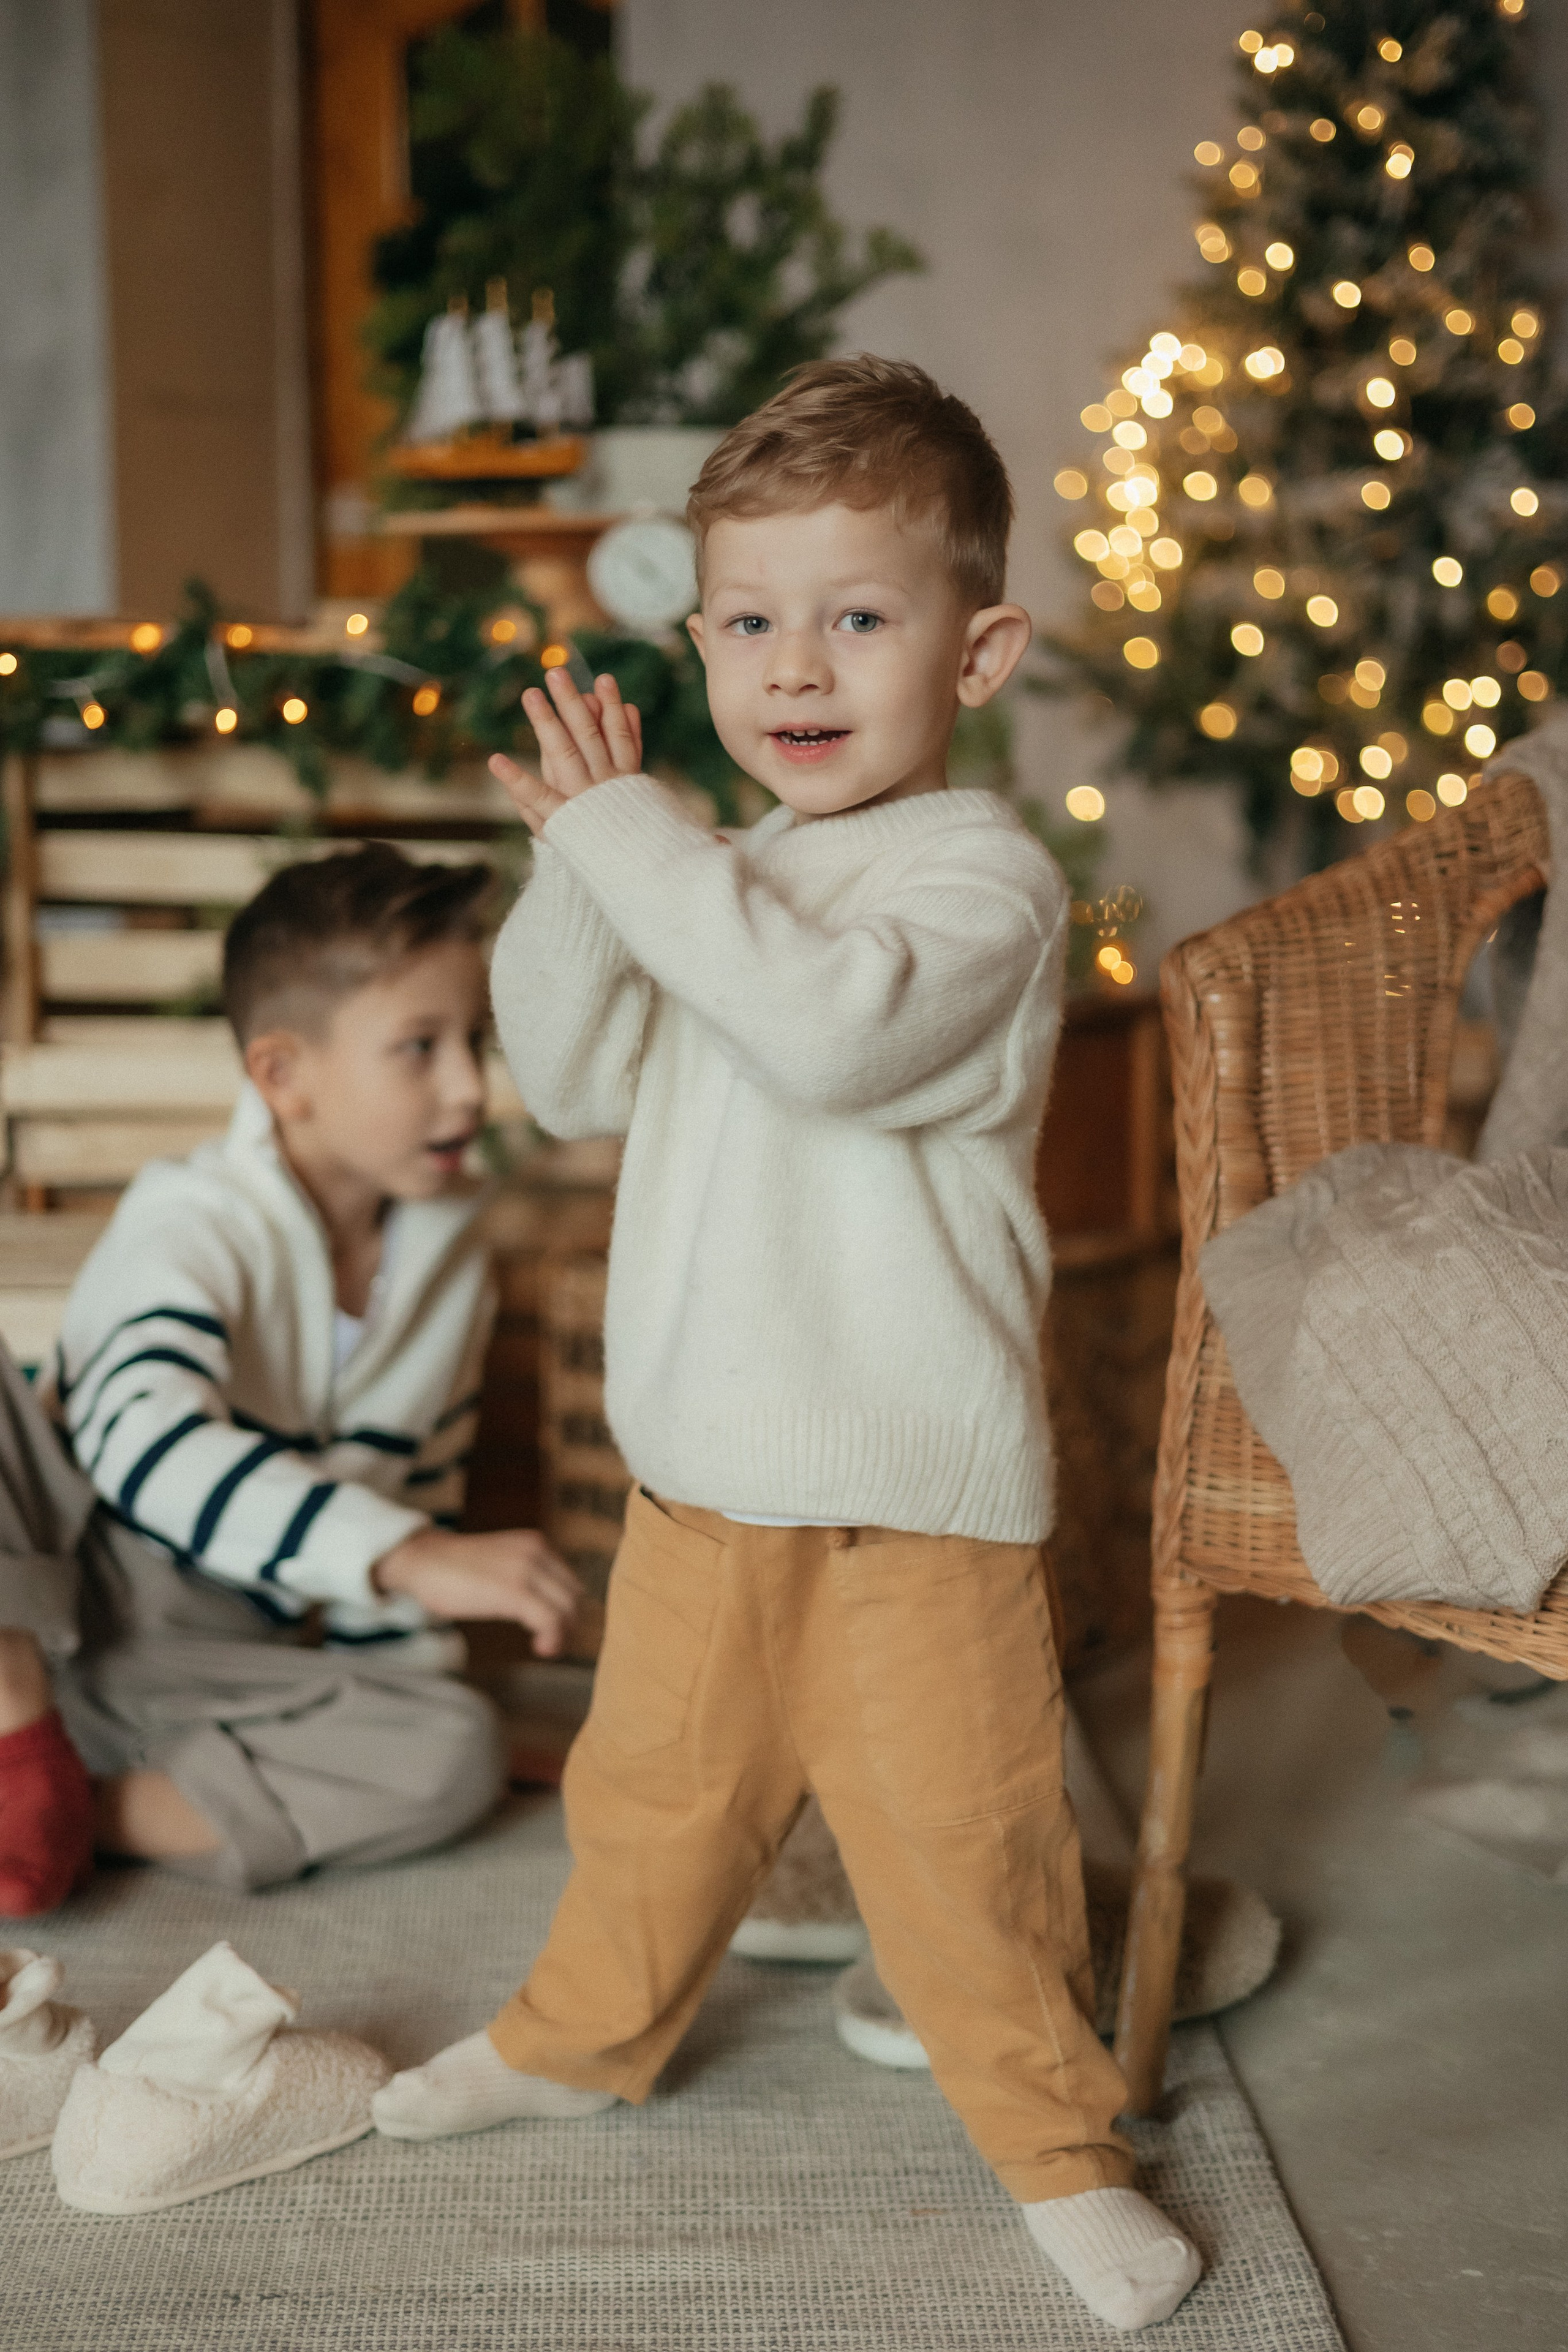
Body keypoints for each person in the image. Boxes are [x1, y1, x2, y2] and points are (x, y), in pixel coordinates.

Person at [373, 358, 1202, 2333]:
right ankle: (578, 2037)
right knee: (652, 1804)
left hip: (913, 1488)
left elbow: (825, 1026)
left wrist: (647, 846)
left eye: (858, 615)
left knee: (970, 1851)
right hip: (701, 1475)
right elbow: (567, 1076)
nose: (797, 668)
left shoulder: (979, 879)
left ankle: (1059, 2150)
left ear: (978, 648)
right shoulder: (699, 873)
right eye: (751, 621)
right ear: (698, 642)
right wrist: (586, 859)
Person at [0, 845, 581, 1912]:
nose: (469, 1086)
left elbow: (416, 1498)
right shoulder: (193, 1218)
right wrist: (409, 1558)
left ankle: (80, 1806)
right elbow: (142, 1440)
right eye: (420, 1047)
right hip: (64, 1591)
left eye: (476, 1042)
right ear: (282, 1075)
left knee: (454, 1745)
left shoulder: (451, 1259)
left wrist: (404, 1688)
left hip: (224, 1659)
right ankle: (13, 1725)